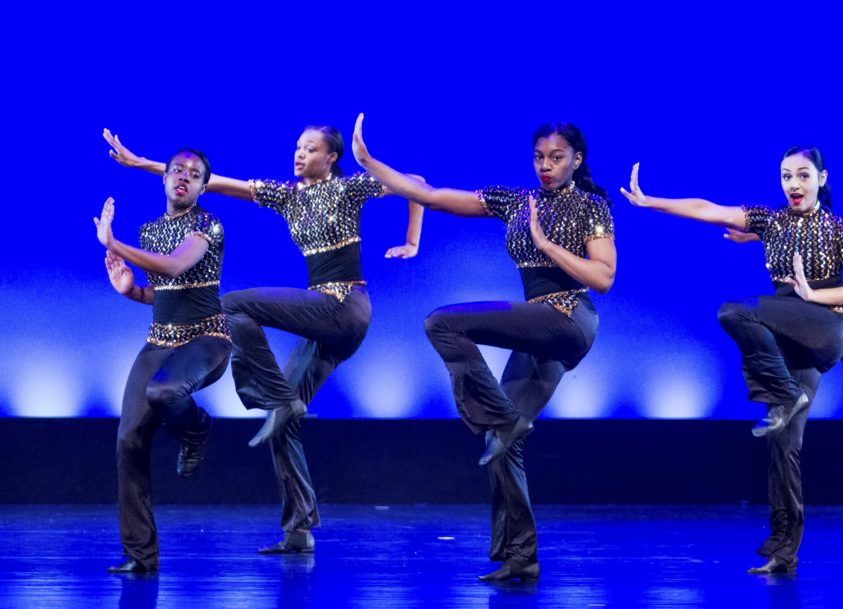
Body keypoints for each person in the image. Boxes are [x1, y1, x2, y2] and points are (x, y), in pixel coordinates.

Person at [104, 126, 421, 554]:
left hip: (345, 307)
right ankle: (298, 529)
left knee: (234, 304)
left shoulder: (349, 190)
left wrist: (412, 242)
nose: (299, 153)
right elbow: (210, 180)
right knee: (280, 423)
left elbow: (416, 185)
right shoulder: (286, 196)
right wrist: (144, 163)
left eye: (310, 149)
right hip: (321, 316)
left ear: (331, 158)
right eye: (297, 146)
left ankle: (272, 396)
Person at [350, 114, 616, 581]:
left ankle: (493, 413)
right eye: (539, 158)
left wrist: (545, 244)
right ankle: (522, 557)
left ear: (578, 159)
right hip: (540, 328)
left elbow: (604, 277)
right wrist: (370, 162)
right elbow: (430, 196)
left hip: (569, 318)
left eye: (556, 158)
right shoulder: (517, 200)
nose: (546, 166)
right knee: (502, 441)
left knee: (443, 323)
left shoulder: (590, 205)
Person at [621, 147, 843, 574]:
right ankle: (784, 548)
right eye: (785, 176)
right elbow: (708, 209)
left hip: (827, 325)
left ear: (821, 177)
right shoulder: (771, 221)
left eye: (802, 176)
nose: (793, 185)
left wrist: (815, 296)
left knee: (733, 310)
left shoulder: (837, 227)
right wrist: (651, 202)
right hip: (787, 336)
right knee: (784, 444)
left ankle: (781, 392)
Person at [97, 149, 230, 573]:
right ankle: (140, 554)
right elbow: (164, 292)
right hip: (159, 342)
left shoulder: (208, 224)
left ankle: (198, 429)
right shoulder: (150, 231)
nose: (184, 178)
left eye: (195, 175)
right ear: (165, 179)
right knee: (128, 441)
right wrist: (131, 292)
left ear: (204, 187)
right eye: (178, 171)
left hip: (206, 340)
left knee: (166, 390)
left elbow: (175, 268)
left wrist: (114, 243)